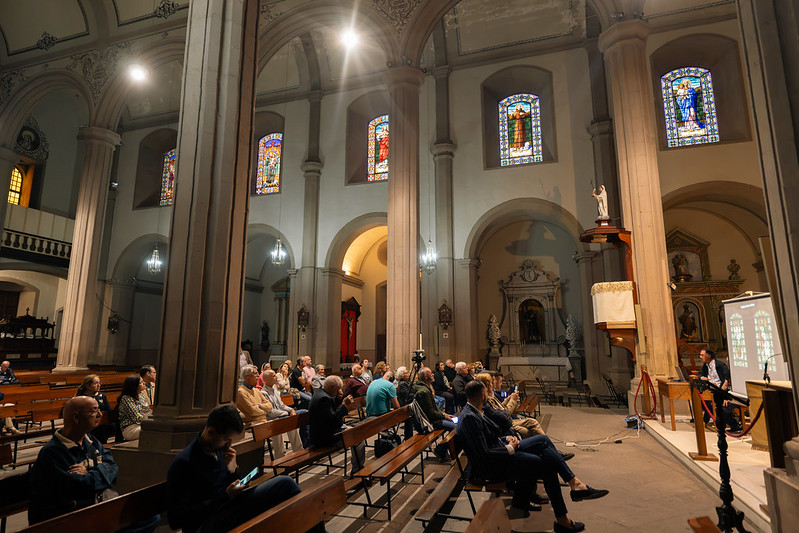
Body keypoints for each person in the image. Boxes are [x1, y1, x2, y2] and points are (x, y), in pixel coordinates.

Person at [167, 404, 322, 533]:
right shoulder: (184, 462)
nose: (229, 445)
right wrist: (226, 496)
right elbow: (176, 520)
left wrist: (233, 470)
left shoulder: (220, 450)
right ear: (211, 432)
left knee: (285, 483)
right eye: (226, 439)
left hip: (230, 506)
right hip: (205, 524)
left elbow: (232, 485)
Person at [458, 380, 589, 532]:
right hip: (488, 468)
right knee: (547, 465)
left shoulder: (475, 410)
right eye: (486, 392)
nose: (488, 394)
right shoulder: (470, 417)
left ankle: (573, 483)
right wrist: (509, 448)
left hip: (499, 453)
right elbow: (483, 455)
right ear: (483, 395)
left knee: (542, 440)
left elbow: (490, 439)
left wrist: (506, 439)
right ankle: (563, 518)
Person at [28, 397, 118, 524]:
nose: (100, 414)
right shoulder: (53, 452)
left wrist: (89, 472)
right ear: (76, 418)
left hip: (92, 506)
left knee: (149, 518)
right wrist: (100, 470)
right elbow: (78, 486)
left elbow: (113, 468)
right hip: (64, 519)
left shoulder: (91, 440)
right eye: (94, 411)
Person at [477, 372, 545, 438]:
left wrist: (508, 399)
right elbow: (504, 414)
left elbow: (500, 408)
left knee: (533, 422)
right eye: (492, 382)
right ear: (486, 386)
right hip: (505, 425)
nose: (494, 383)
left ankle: (546, 442)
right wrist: (512, 400)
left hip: (508, 422)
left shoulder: (491, 395)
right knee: (528, 431)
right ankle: (545, 443)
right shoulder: (486, 401)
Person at [259, 369, 305, 454]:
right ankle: (280, 458)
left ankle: (299, 451)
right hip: (272, 419)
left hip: (281, 417)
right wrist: (286, 413)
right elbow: (271, 412)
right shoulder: (263, 393)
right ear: (267, 380)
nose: (276, 376)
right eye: (273, 375)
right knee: (285, 420)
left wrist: (291, 410)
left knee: (301, 414)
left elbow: (282, 406)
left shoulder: (275, 390)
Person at [699, 349, 742, 432]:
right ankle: (706, 421)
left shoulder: (721, 365)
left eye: (702, 355)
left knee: (722, 408)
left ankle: (735, 425)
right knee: (707, 402)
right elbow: (699, 374)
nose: (701, 357)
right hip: (716, 391)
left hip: (727, 394)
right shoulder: (705, 366)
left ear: (708, 356)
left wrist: (725, 396)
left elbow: (726, 384)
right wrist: (702, 377)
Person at [76, 374, 114, 443]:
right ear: (88, 386)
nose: (99, 385)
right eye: (96, 383)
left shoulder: (101, 395)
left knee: (113, 425)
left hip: (102, 422)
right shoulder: (82, 397)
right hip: (89, 424)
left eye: (99, 383)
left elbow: (109, 410)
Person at [118, 375, 150, 441]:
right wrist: (151, 422)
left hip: (142, 425)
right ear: (134, 386)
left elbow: (147, 411)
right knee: (155, 430)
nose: (144, 383)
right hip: (131, 428)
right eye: (141, 382)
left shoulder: (141, 396)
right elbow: (136, 418)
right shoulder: (126, 398)